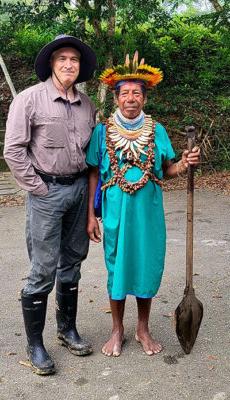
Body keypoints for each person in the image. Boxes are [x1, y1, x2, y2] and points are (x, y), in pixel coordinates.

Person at [86, 52, 200, 357]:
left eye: (137, 92)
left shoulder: (157, 130)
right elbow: (95, 173)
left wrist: (184, 164)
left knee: (146, 266)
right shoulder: (102, 132)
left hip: (148, 212)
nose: (131, 98)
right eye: (125, 93)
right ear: (116, 98)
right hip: (116, 212)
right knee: (117, 266)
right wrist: (90, 216)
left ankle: (143, 328)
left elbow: (168, 169)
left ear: (144, 99)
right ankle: (117, 329)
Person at [4, 34, 97, 375]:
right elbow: (13, 150)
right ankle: (35, 344)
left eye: (74, 60)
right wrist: (38, 188)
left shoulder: (88, 106)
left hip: (79, 192)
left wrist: (92, 202)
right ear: (51, 64)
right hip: (47, 192)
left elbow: (92, 157)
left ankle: (67, 330)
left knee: (72, 262)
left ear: (80, 67)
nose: (69, 64)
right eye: (62, 59)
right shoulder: (29, 100)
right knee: (42, 268)